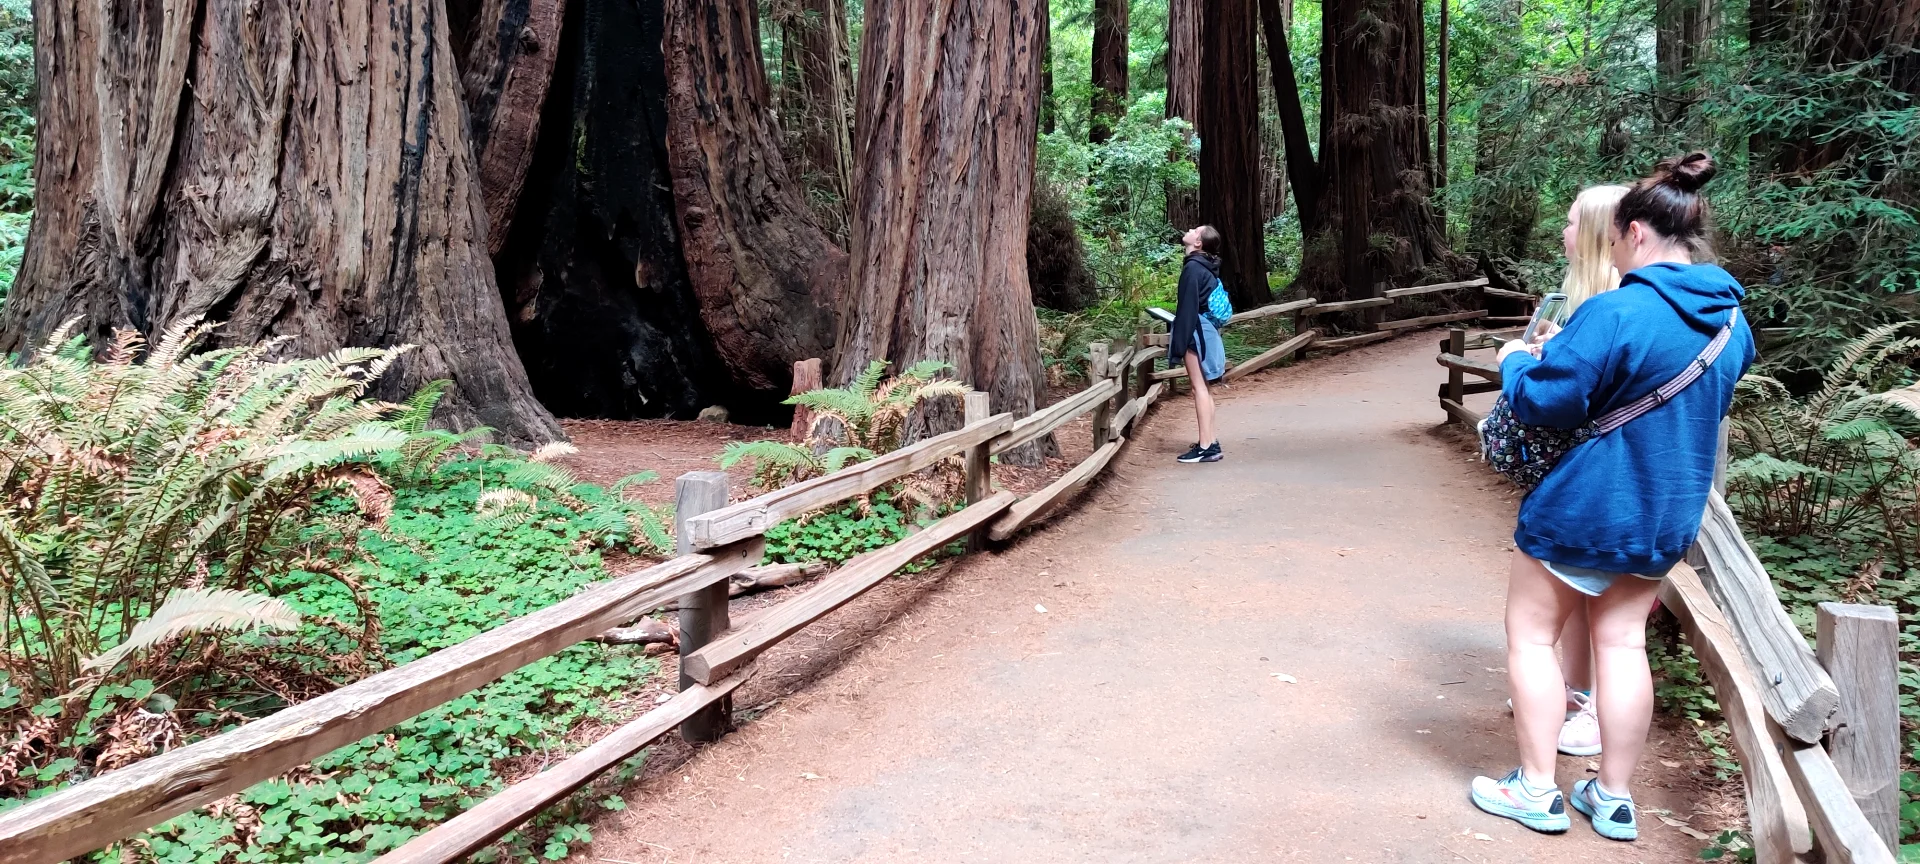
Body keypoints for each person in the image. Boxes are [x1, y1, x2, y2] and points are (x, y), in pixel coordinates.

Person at [1469, 153, 1754, 841]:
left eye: (1618, 240)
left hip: (1584, 505)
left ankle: (1537, 788)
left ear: (1635, 233)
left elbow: (1547, 403)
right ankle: (1615, 797)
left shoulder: (1616, 309)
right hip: (1666, 512)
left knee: (1531, 638)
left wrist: (1515, 363)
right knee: (1624, 645)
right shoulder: (1732, 324)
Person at [1526, 183, 1632, 761]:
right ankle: (1570, 689)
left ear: (1597, 234)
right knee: (1575, 598)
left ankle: (1593, 711)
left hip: (1604, 480)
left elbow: (1570, 399)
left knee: (1611, 619)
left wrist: (1524, 365)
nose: (1562, 233)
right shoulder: (1581, 300)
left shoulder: (1620, 304)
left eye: (1570, 223)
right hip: (1579, 472)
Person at [1171, 225, 1228, 463]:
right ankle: (1210, 441)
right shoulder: (1205, 266)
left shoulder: (1193, 268)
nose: (1190, 229)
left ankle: (1206, 447)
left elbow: (1187, 308)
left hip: (1197, 331)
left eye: (1196, 230)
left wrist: (1179, 345)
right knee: (1203, 387)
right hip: (1205, 330)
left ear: (1198, 243)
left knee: (1199, 388)